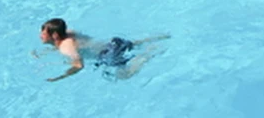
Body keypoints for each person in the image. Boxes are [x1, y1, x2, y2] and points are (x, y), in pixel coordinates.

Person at [37, 18, 168, 81]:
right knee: (130, 44)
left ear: (54, 35)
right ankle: (155, 38)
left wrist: (61, 76)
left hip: (108, 54)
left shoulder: (66, 48)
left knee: (123, 75)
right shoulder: (69, 33)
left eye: (43, 33)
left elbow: (79, 65)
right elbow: (72, 44)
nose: (40, 35)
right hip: (114, 42)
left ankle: (146, 54)